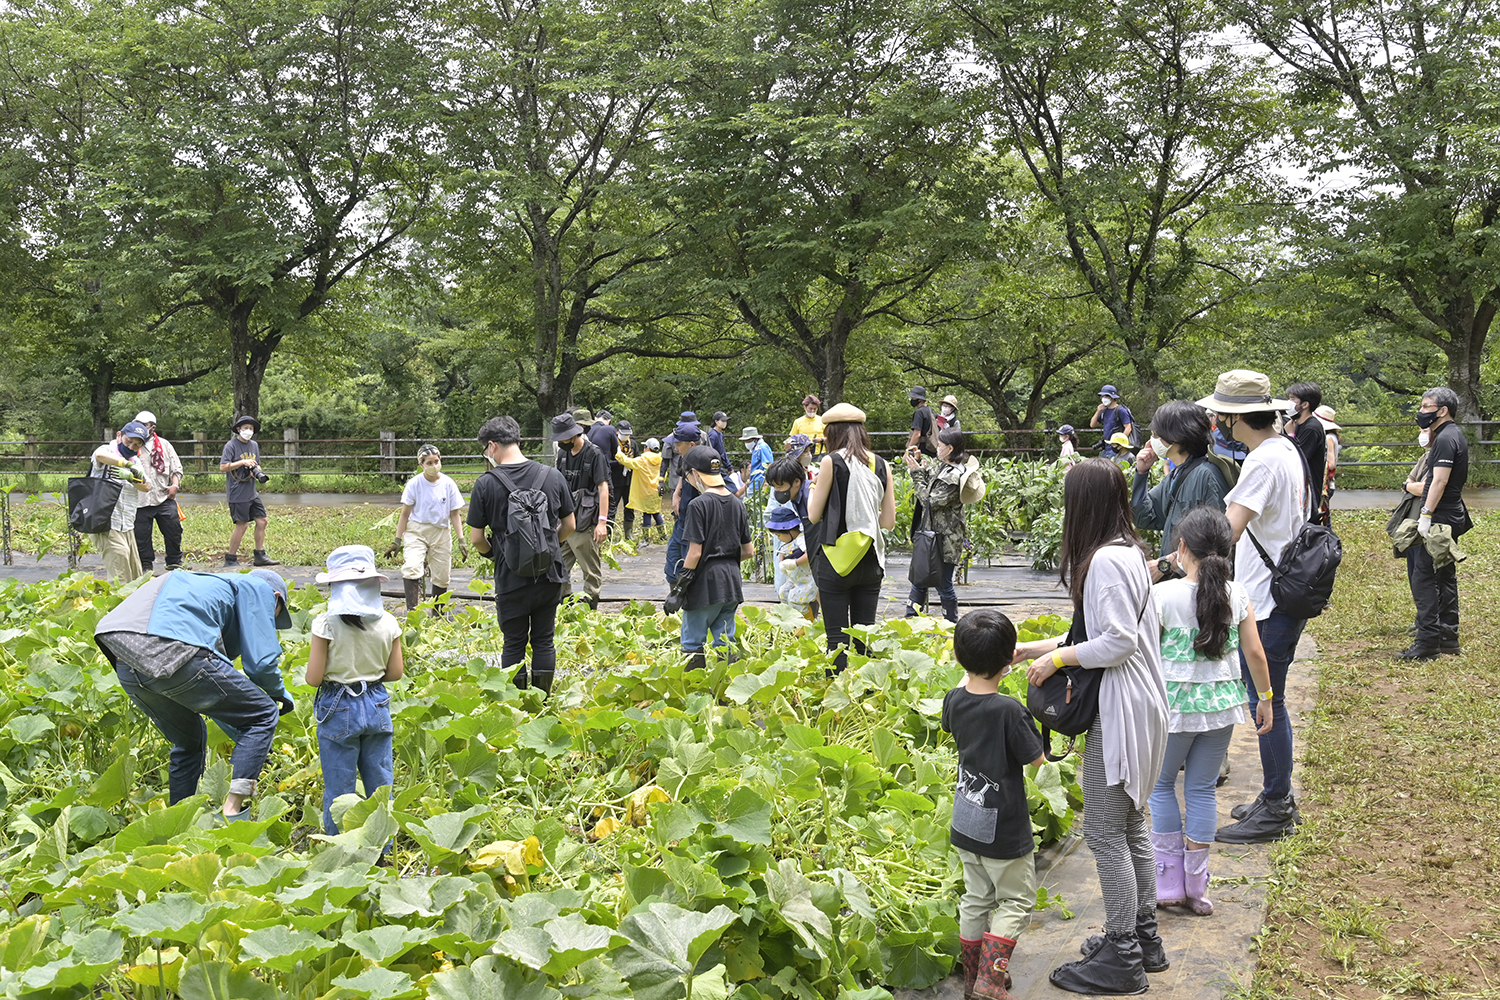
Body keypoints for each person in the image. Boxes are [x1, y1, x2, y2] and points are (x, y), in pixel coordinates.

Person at [1011, 458, 1168, 995]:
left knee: (1103, 830)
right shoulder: (1130, 552)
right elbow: (1098, 633)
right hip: (1146, 702)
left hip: (1120, 708)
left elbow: (1116, 641)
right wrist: (1034, 649)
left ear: (1083, 505)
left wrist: (1058, 663)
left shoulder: (1102, 561)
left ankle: (1121, 956)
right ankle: (1143, 938)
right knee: (1131, 824)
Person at [1195, 371, 1310, 844]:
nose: (1217, 422)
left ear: (1234, 417)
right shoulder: (1287, 448)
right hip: (1286, 590)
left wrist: (1179, 562)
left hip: (1268, 599)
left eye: (1221, 414)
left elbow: (1229, 531)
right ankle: (1274, 792)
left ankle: (1278, 807)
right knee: (1270, 698)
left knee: (1269, 701)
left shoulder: (1263, 461)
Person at [1148, 508, 1274, 916]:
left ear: (1181, 548)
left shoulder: (1163, 596)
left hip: (1174, 710)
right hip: (1222, 708)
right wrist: (1266, 697)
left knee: (1161, 786)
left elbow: (1143, 651)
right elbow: (1254, 652)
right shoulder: (1236, 595)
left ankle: (1167, 885)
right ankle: (1197, 889)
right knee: (1201, 789)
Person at [93, 567, 294, 818]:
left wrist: (253, 745)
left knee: (189, 741)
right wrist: (278, 695)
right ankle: (232, 811)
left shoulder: (204, 588)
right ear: (275, 597)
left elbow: (215, 700)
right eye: (274, 616)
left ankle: (180, 819)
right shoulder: (256, 588)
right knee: (263, 713)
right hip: (171, 646)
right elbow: (261, 663)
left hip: (125, 657)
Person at [943, 609, 1046, 1000]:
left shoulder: (954, 700)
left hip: (967, 817)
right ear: (1009, 663)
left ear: (957, 658)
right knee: (1016, 899)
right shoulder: (1009, 710)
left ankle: (973, 979)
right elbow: (1037, 760)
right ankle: (990, 978)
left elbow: (953, 720)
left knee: (976, 896)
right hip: (1004, 825)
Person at [467, 416, 576, 694]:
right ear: (517, 439)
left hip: (510, 575)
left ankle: (517, 703)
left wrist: (498, 554)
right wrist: (548, 547)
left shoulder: (485, 484)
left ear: (492, 446)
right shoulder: (552, 475)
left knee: (513, 642)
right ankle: (542, 698)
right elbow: (570, 525)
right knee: (544, 640)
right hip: (549, 573)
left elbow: (477, 539)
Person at [307, 545, 402, 835]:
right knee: (380, 782)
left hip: (338, 705)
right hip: (376, 703)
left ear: (336, 586)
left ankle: (341, 847)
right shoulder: (388, 622)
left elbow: (313, 677)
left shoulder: (325, 623)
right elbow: (395, 673)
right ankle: (382, 847)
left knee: (340, 787)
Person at [808, 403, 896, 672]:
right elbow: (888, 522)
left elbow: (813, 515)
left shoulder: (829, 462)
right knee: (864, 638)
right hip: (870, 561)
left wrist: (813, 487)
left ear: (832, 433)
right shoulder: (881, 464)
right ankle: (867, 695)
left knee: (837, 640)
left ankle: (839, 702)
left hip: (836, 561)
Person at [1402, 387, 1471, 660]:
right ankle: (1448, 635)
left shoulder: (1445, 438)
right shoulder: (1451, 435)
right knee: (1443, 574)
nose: (1421, 411)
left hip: (1440, 515)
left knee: (1424, 577)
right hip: (1451, 513)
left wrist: (1426, 514)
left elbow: (1439, 481)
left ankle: (1428, 641)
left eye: (1426, 406)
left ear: (1442, 410)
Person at [677, 446, 754, 670]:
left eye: (688, 476)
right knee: (725, 641)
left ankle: (695, 691)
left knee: (692, 640)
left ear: (695, 474)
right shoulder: (737, 504)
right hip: (731, 581)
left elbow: (695, 552)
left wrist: (680, 588)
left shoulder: (698, 505)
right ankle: (726, 692)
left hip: (704, 583)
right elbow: (748, 551)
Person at [1130, 401, 1236, 560]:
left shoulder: (1208, 476)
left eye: (1157, 434)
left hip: (1196, 581)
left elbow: (1217, 546)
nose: (1152, 440)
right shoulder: (1176, 474)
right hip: (1175, 579)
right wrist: (1142, 472)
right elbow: (1144, 518)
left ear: (1177, 436)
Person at [904, 427, 977, 623]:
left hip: (945, 540)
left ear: (950, 448)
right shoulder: (942, 466)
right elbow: (929, 476)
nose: (937, 447)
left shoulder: (954, 476)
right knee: (919, 578)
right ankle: (910, 621)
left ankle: (951, 624)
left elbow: (929, 501)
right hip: (930, 534)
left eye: (941, 445)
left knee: (943, 583)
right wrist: (918, 464)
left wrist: (916, 474)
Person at [390, 445, 467, 611]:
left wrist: (461, 540)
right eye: (429, 463)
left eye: (436, 461)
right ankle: (413, 613)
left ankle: (437, 615)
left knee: (442, 575)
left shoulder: (448, 484)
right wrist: (397, 539)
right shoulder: (414, 484)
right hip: (416, 531)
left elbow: (455, 514)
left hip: (441, 532)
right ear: (421, 464)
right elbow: (405, 514)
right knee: (412, 567)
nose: (434, 466)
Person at [552, 412, 610, 609]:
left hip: (585, 521)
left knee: (590, 568)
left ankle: (590, 605)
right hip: (565, 520)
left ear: (574, 434)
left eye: (563, 437)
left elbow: (603, 488)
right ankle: (564, 602)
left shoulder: (594, 454)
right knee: (557, 563)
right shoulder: (562, 454)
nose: (560, 441)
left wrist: (602, 522)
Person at [87, 421, 151, 581]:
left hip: (127, 523)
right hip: (106, 521)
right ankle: (118, 605)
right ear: (119, 435)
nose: (131, 447)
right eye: (128, 441)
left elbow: (147, 486)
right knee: (120, 573)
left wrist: (132, 477)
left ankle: (133, 604)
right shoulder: (107, 450)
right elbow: (99, 457)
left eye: (136, 445)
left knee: (135, 574)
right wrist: (125, 464)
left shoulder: (137, 462)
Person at [220, 415, 278, 567]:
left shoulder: (254, 445)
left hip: (251, 491)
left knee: (262, 521)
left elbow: (257, 463)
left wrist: (256, 470)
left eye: (251, 428)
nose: (248, 431)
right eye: (245, 428)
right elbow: (223, 467)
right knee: (242, 524)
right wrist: (242, 462)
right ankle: (230, 558)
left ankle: (260, 555)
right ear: (238, 429)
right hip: (237, 491)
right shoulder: (231, 446)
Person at [132, 411, 185, 573]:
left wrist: (174, 486)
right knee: (141, 535)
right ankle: (146, 565)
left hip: (163, 497)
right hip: (139, 499)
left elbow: (177, 469)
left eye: (143, 425)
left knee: (174, 529)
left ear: (152, 428)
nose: (139, 428)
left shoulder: (164, 445)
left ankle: (174, 562)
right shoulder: (131, 444)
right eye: (137, 424)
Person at [664, 420, 703, 585]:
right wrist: (677, 492)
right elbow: (681, 473)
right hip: (681, 519)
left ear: (692, 444)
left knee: (690, 567)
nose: (675, 448)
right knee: (671, 564)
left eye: (678, 444)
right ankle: (675, 598)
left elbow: (726, 490)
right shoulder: (683, 458)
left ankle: (687, 598)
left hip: (695, 526)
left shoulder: (705, 461)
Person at [767, 506, 818, 619]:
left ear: (789, 530)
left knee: (796, 599)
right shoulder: (789, 541)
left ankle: (807, 625)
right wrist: (781, 564)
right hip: (795, 579)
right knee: (783, 593)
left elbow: (809, 554)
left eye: (779, 535)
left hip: (807, 579)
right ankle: (791, 621)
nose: (778, 538)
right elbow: (782, 552)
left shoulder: (801, 539)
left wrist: (795, 563)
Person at [1284, 382, 1327, 510]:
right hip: (1301, 491)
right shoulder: (1298, 424)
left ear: (1305, 404)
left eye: (1292, 399)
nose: (1289, 402)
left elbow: (1298, 458)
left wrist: (1290, 435)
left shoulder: (1311, 428)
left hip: (1308, 493)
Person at [617, 434, 663, 543]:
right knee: (656, 512)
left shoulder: (643, 459)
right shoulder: (660, 459)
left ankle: (646, 538)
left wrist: (619, 454)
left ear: (647, 448)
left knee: (646, 513)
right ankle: (663, 535)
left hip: (646, 491)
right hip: (657, 491)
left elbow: (629, 462)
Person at [587, 410, 623, 527]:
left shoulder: (586, 428)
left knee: (589, 498)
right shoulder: (610, 429)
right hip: (603, 470)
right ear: (609, 421)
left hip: (586, 470)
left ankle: (589, 525)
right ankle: (607, 529)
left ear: (596, 418)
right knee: (610, 500)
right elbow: (615, 452)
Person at [766, 455, 812, 528]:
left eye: (779, 486)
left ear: (796, 482)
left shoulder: (810, 497)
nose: (776, 490)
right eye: (774, 486)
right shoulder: (796, 497)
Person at [1091, 385, 1135, 459]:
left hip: (1116, 448)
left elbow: (1128, 427)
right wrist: (1098, 411)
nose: (1103, 399)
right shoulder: (1104, 411)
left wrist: (1119, 444)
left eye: (1106, 396)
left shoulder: (1121, 410)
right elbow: (1092, 425)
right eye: (1102, 396)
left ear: (1113, 397)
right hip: (1106, 448)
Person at [1314, 405, 1340, 524]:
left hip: (1326, 485)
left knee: (1324, 517)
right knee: (1324, 516)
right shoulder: (1333, 437)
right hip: (1328, 484)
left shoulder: (1328, 438)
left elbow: (1331, 464)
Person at [740, 426, 775, 494]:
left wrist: (766, 484)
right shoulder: (755, 448)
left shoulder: (762, 448)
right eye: (745, 440)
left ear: (755, 439)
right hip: (754, 484)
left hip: (760, 485)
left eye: (748, 440)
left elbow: (769, 465)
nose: (746, 443)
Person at [908, 386, 938, 458]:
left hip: (921, 450)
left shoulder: (919, 412)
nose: (911, 399)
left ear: (920, 399)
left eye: (913, 398)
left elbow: (917, 434)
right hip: (931, 447)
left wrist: (909, 452)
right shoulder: (930, 410)